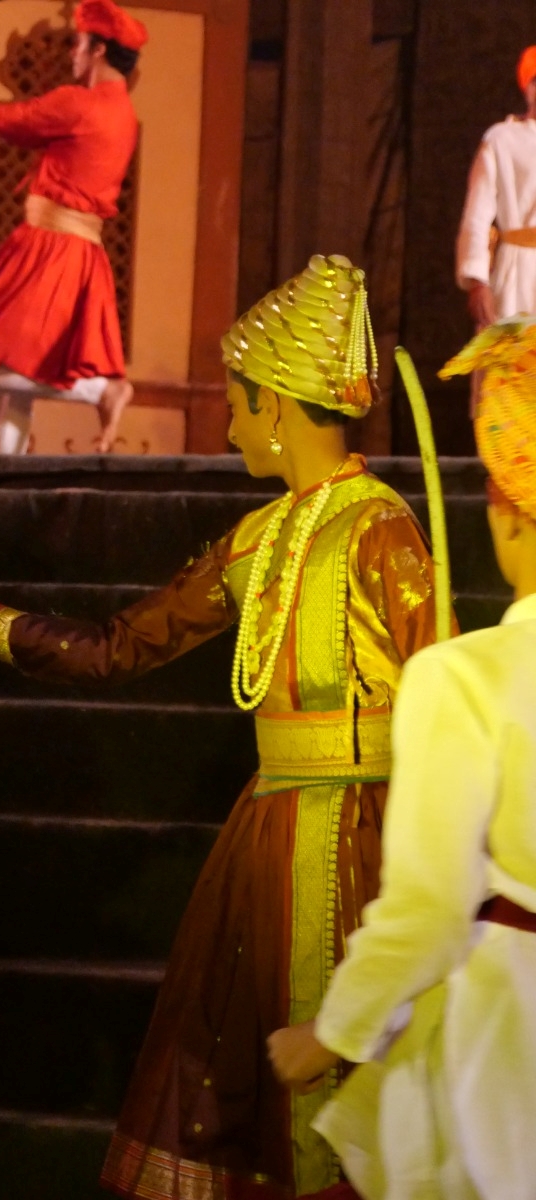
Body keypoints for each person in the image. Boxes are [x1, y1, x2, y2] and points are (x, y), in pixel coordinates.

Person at [0, 255, 450, 1199]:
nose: (226, 424)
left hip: (363, 843)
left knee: (342, 1110)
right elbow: (114, 650)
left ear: (274, 403)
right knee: (262, 1097)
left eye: (235, 402)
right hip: (267, 838)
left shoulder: (381, 529)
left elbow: (438, 700)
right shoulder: (257, 539)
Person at [267, 320, 536, 1200]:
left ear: (504, 509)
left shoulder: (465, 678)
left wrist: (334, 1030)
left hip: (505, 1042)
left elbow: (427, 905)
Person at [0, 0, 143, 454]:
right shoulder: (123, 113)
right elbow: (24, 124)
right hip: (77, 250)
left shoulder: (80, 105)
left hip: (51, 249)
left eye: (79, 44)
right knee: (17, 361)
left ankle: (99, 391)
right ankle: (4, 465)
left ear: (98, 50)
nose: (73, 54)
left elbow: (14, 120)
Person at [456, 47, 536, 333]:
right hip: (514, 273)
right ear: (528, 88)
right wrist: (478, 281)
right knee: (506, 368)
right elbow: (477, 215)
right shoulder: (501, 140)